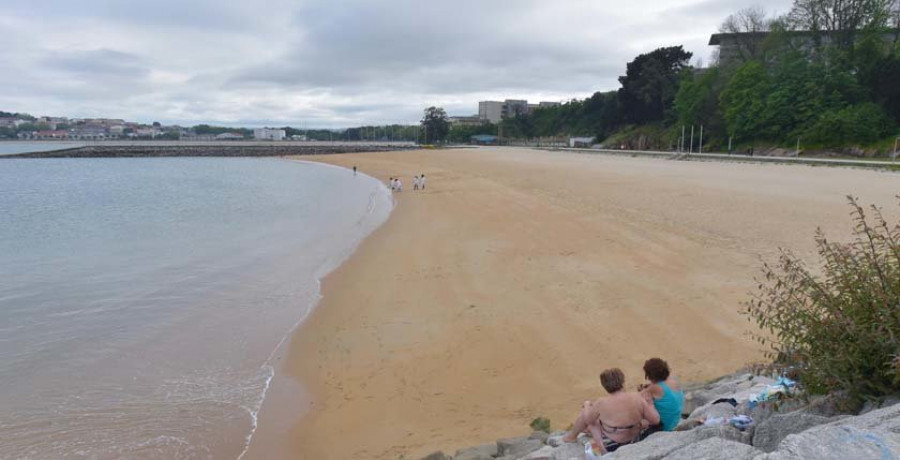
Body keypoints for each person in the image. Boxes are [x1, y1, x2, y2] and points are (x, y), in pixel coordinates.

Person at [562, 368, 660, 454]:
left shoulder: (601, 403)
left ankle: (572, 437)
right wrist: (650, 404)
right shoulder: (637, 397)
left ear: (605, 386)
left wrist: (587, 405)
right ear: (622, 382)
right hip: (634, 439)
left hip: (611, 445)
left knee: (590, 417)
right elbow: (655, 420)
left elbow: (588, 420)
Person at [639, 358, 684, 433]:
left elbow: (637, 397)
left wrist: (644, 389)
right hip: (675, 421)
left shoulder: (654, 388)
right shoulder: (673, 381)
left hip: (665, 427)